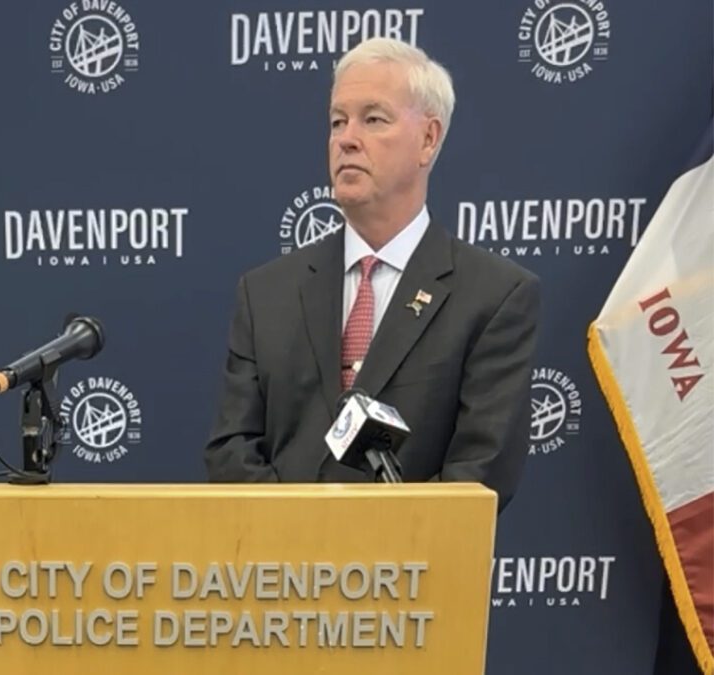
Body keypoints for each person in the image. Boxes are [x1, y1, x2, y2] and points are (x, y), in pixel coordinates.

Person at [204, 37, 539, 511]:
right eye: (337, 121)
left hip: (413, 577)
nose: (346, 138)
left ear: (428, 139)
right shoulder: (265, 294)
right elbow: (231, 450)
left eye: (373, 119)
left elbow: (479, 476)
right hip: (281, 573)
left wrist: (369, 552)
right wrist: (299, 546)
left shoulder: (495, 296)